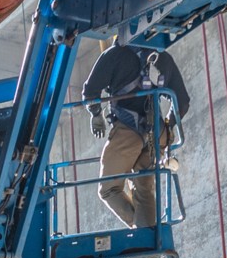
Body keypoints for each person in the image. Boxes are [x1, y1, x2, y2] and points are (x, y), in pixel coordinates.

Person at [81, 43, 190, 229]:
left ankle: (143, 232)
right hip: (157, 134)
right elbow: (183, 101)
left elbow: (90, 91)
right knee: (144, 189)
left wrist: (96, 114)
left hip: (127, 132)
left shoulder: (114, 55)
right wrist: (168, 126)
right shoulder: (162, 57)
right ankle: (147, 234)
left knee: (108, 189)